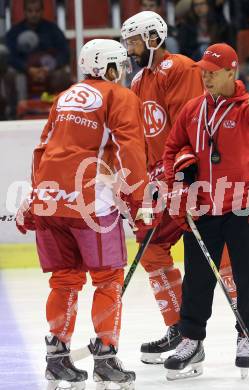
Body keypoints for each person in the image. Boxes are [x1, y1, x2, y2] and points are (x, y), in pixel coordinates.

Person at [15, 39, 152, 389]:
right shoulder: (120, 97)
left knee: (64, 280)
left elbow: (41, 149)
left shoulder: (63, 98)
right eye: (118, 66)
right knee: (107, 279)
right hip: (91, 203)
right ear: (107, 67)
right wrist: (140, 203)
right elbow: (131, 150)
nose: (121, 72)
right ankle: (105, 357)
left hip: (50, 198)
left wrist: (36, 198)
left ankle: (57, 358)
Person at [163, 43, 249, 380]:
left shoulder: (248, 108)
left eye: (212, 72)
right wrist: (180, 171)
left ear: (232, 72)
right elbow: (172, 148)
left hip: (243, 204)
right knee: (198, 278)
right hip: (202, 207)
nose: (206, 77)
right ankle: (192, 339)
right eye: (203, 71)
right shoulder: (192, 110)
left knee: (247, 274)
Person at [121, 11, 236, 364]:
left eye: (135, 40)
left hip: (187, 178)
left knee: (216, 252)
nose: (130, 48)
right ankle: (181, 330)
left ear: (154, 38)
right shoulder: (140, 81)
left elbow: (188, 129)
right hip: (161, 181)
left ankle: (247, 325)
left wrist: (177, 177)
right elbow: (142, 136)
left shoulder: (181, 69)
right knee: (151, 244)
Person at [5, 0, 71, 101]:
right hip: (23, 71)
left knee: (62, 75)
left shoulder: (53, 29)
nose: (34, 14)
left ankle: (59, 110)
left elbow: (65, 52)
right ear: (25, 12)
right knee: (11, 75)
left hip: (49, 71)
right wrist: (28, 69)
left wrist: (49, 68)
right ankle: (16, 112)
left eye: (37, 11)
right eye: (30, 11)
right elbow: (9, 56)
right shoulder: (14, 32)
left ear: (42, 11)